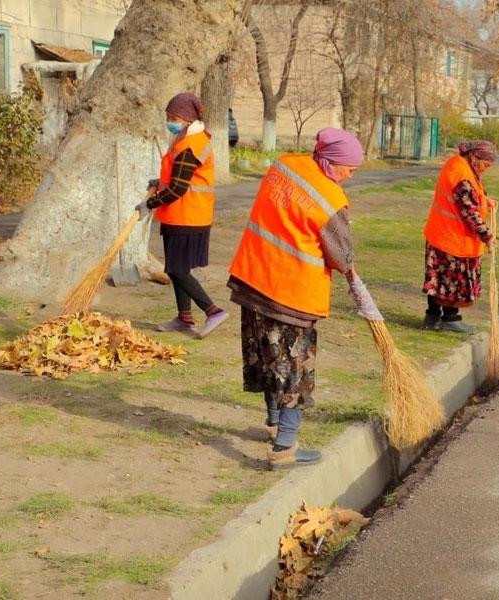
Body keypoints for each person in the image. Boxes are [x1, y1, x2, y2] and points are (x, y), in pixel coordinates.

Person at [226, 128, 379, 469]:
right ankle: (285, 447)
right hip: (289, 294)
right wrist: (352, 273)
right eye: (348, 168)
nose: (351, 175)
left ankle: (273, 425)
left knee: (267, 358)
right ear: (330, 162)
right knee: (295, 369)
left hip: (253, 278)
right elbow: (342, 255)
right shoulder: (329, 197)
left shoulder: (283, 166)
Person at [136, 93, 229, 339]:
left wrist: (150, 203)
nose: (170, 121)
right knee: (178, 267)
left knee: (177, 270)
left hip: (188, 215)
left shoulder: (191, 144)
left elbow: (179, 188)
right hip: (179, 215)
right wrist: (159, 182)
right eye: (168, 117)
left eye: (174, 117)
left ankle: (213, 311)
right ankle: (184, 318)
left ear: (187, 119)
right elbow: (177, 177)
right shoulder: (184, 138)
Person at [422, 140, 498, 334]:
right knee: (451, 280)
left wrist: (484, 199)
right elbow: (469, 212)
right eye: (486, 165)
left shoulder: (457, 163)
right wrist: (486, 236)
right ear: (475, 157)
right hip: (453, 237)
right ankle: (450, 318)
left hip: (440, 232)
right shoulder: (462, 175)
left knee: (437, 277)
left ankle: (432, 317)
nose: (485, 169)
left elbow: (471, 194)